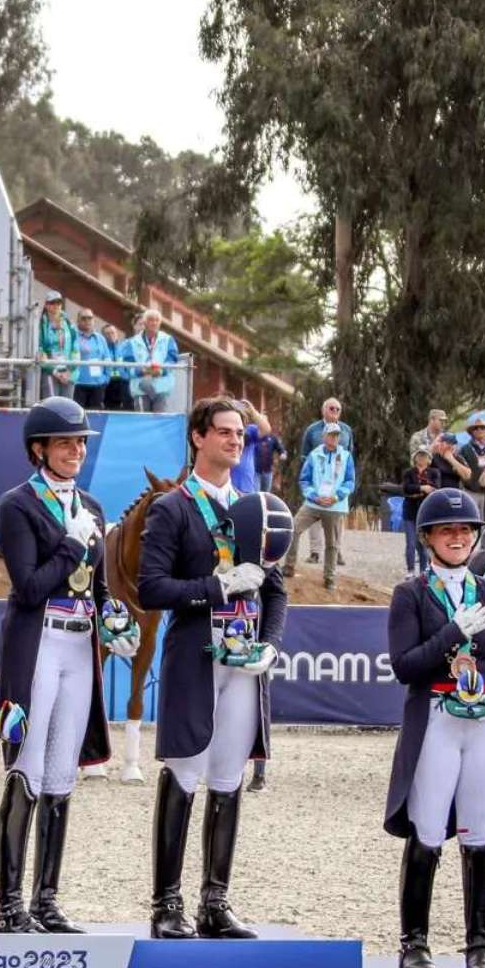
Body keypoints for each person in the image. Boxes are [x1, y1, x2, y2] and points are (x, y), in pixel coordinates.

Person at [138, 395, 288, 939]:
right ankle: (166, 904)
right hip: (196, 657)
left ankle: (215, 902)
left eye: (239, 434)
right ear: (198, 437)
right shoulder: (172, 507)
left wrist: (271, 644)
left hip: (245, 663)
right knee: (184, 773)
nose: (233, 440)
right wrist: (215, 586)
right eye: (223, 431)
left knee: (228, 779)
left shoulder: (257, 506)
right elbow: (152, 588)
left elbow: (277, 591)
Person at [0, 397, 139, 933]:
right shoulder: (18, 506)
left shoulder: (94, 508)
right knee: (26, 769)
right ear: (40, 450)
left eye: (80, 442)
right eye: (64, 443)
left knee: (61, 775)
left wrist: (114, 618)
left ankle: (46, 900)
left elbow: (97, 587)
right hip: (39, 642)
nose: (76, 450)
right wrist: (71, 546)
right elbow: (29, 586)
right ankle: (10, 906)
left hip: (80, 647)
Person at [385, 487, 485, 968]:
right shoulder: (411, 594)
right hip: (438, 718)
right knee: (426, 828)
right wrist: (452, 631)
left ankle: (479, 943)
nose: (458, 537)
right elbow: (405, 666)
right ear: (428, 538)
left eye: (465, 529)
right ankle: (414, 941)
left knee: (480, 831)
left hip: (483, 720)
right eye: (448, 530)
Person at [283, 421, 355, 592]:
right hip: (313, 504)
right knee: (294, 528)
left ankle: (329, 577)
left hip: (335, 505)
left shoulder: (346, 456)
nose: (334, 438)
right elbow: (304, 480)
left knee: (332, 543)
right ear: (324, 437)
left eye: (337, 435)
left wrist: (337, 496)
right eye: (330, 435)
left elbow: (350, 481)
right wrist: (314, 497)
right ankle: (289, 566)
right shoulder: (314, 455)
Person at [299, 397, 354, 566]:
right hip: (317, 484)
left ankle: (336, 551)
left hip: (337, 486)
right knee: (314, 517)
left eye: (338, 409)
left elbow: (349, 454)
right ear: (324, 410)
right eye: (331, 408)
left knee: (337, 521)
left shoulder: (346, 430)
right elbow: (304, 455)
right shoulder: (313, 430)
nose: (335, 412)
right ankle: (315, 552)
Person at [121, 307, 179, 413]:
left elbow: (172, 360)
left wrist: (161, 371)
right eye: (151, 320)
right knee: (143, 421)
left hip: (161, 387)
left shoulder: (168, 339)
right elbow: (128, 364)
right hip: (140, 387)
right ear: (145, 323)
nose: (154, 323)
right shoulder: (132, 342)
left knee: (159, 421)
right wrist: (143, 371)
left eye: (157, 320)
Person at [401, 448, 442, 575]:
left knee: (424, 545)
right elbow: (406, 488)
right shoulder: (408, 472)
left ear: (429, 460)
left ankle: (424, 571)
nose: (421, 458)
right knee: (411, 543)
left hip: (425, 513)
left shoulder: (434, 472)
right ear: (415, 458)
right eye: (419, 456)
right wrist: (422, 488)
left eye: (424, 456)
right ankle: (410, 570)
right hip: (410, 512)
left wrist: (419, 490)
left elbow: (436, 488)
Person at [37, 290, 78, 399]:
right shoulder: (41, 324)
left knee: (67, 407)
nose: (56, 305)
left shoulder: (69, 323)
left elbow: (75, 348)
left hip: (69, 372)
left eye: (59, 302)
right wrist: (55, 372)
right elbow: (40, 350)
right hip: (50, 372)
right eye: (52, 302)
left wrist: (69, 371)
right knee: (52, 405)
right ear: (46, 305)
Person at [456, 416, 485, 513]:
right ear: (472, 432)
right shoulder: (464, 449)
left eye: (482, 428)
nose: (479, 430)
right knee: (471, 520)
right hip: (470, 491)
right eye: (476, 428)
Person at [71, 309, 109, 410]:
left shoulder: (101, 338)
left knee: (96, 418)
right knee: (78, 417)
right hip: (78, 384)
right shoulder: (73, 336)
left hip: (98, 384)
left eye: (90, 318)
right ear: (78, 321)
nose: (87, 321)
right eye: (84, 318)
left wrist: (105, 378)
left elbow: (107, 359)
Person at [102, 323, 132, 411]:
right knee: (109, 407)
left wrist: (126, 376)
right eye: (107, 333)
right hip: (108, 382)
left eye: (112, 333)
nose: (110, 335)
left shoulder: (123, 348)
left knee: (126, 407)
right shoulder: (103, 349)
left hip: (122, 381)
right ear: (103, 336)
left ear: (117, 334)